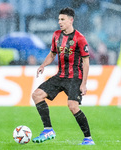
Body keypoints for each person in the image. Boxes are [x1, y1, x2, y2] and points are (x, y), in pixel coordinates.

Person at [32, 7, 95, 145]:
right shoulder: (56, 35)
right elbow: (52, 54)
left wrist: (84, 83)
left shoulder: (80, 38)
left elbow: (86, 62)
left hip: (75, 77)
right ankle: (48, 129)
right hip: (60, 76)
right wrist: (43, 65)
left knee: (72, 106)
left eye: (62, 19)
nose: (59, 22)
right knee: (36, 95)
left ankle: (88, 138)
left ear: (71, 20)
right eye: (59, 19)